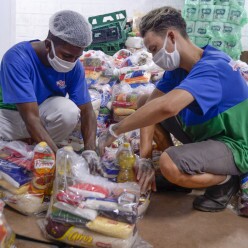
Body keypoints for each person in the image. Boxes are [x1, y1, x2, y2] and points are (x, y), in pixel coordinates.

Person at [99, 6, 248, 212]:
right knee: (145, 103)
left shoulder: (213, 67)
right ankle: (180, 173)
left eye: (154, 49)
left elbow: (168, 107)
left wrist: (114, 131)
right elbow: (149, 107)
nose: (154, 57)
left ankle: (225, 181)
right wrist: (145, 160)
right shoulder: (179, 68)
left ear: (171, 36)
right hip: (208, 134)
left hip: (235, 145)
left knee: (169, 164)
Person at [0, 10, 99, 171]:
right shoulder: (17, 58)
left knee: (69, 111)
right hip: (9, 116)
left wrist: (90, 150)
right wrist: (60, 159)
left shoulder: (74, 67)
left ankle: (37, 149)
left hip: (39, 115)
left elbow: (87, 111)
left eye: (76, 57)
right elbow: (30, 118)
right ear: (48, 45)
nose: (72, 62)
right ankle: (31, 147)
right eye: (67, 56)